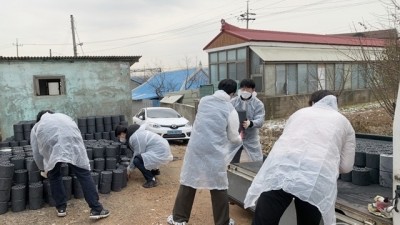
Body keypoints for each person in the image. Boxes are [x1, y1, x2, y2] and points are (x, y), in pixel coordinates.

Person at [244, 90, 356, 225]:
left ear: (313, 103)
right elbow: (346, 166)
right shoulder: (344, 123)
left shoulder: (299, 114)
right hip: (315, 177)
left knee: (264, 220)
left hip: (282, 169)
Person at [167, 79, 242, 225]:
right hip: (215, 151)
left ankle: (179, 219)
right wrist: (240, 138)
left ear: (218, 88)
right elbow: (233, 137)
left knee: (189, 180)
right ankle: (223, 222)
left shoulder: (204, 101)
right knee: (218, 184)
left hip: (196, 147)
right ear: (232, 93)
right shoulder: (230, 109)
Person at [30, 110, 110, 220]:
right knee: (83, 174)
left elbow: (36, 152)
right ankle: (97, 209)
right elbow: (76, 131)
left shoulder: (38, 126)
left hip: (52, 146)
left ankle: (61, 208)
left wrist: (43, 169)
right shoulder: (63, 116)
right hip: (72, 142)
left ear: (39, 119)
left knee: (54, 176)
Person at [124, 124, 173, 188]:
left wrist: (129, 169)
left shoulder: (136, 137)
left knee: (137, 161)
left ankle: (151, 180)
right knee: (145, 157)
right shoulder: (140, 134)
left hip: (160, 151)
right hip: (162, 149)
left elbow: (138, 154)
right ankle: (154, 171)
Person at [230, 78, 265, 163]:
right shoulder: (233, 102)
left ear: (253, 90)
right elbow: (227, 116)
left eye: (248, 88)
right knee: (231, 159)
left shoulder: (258, 104)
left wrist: (251, 123)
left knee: (257, 161)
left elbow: (260, 120)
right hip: (235, 136)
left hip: (251, 137)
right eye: (243, 88)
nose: (245, 91)